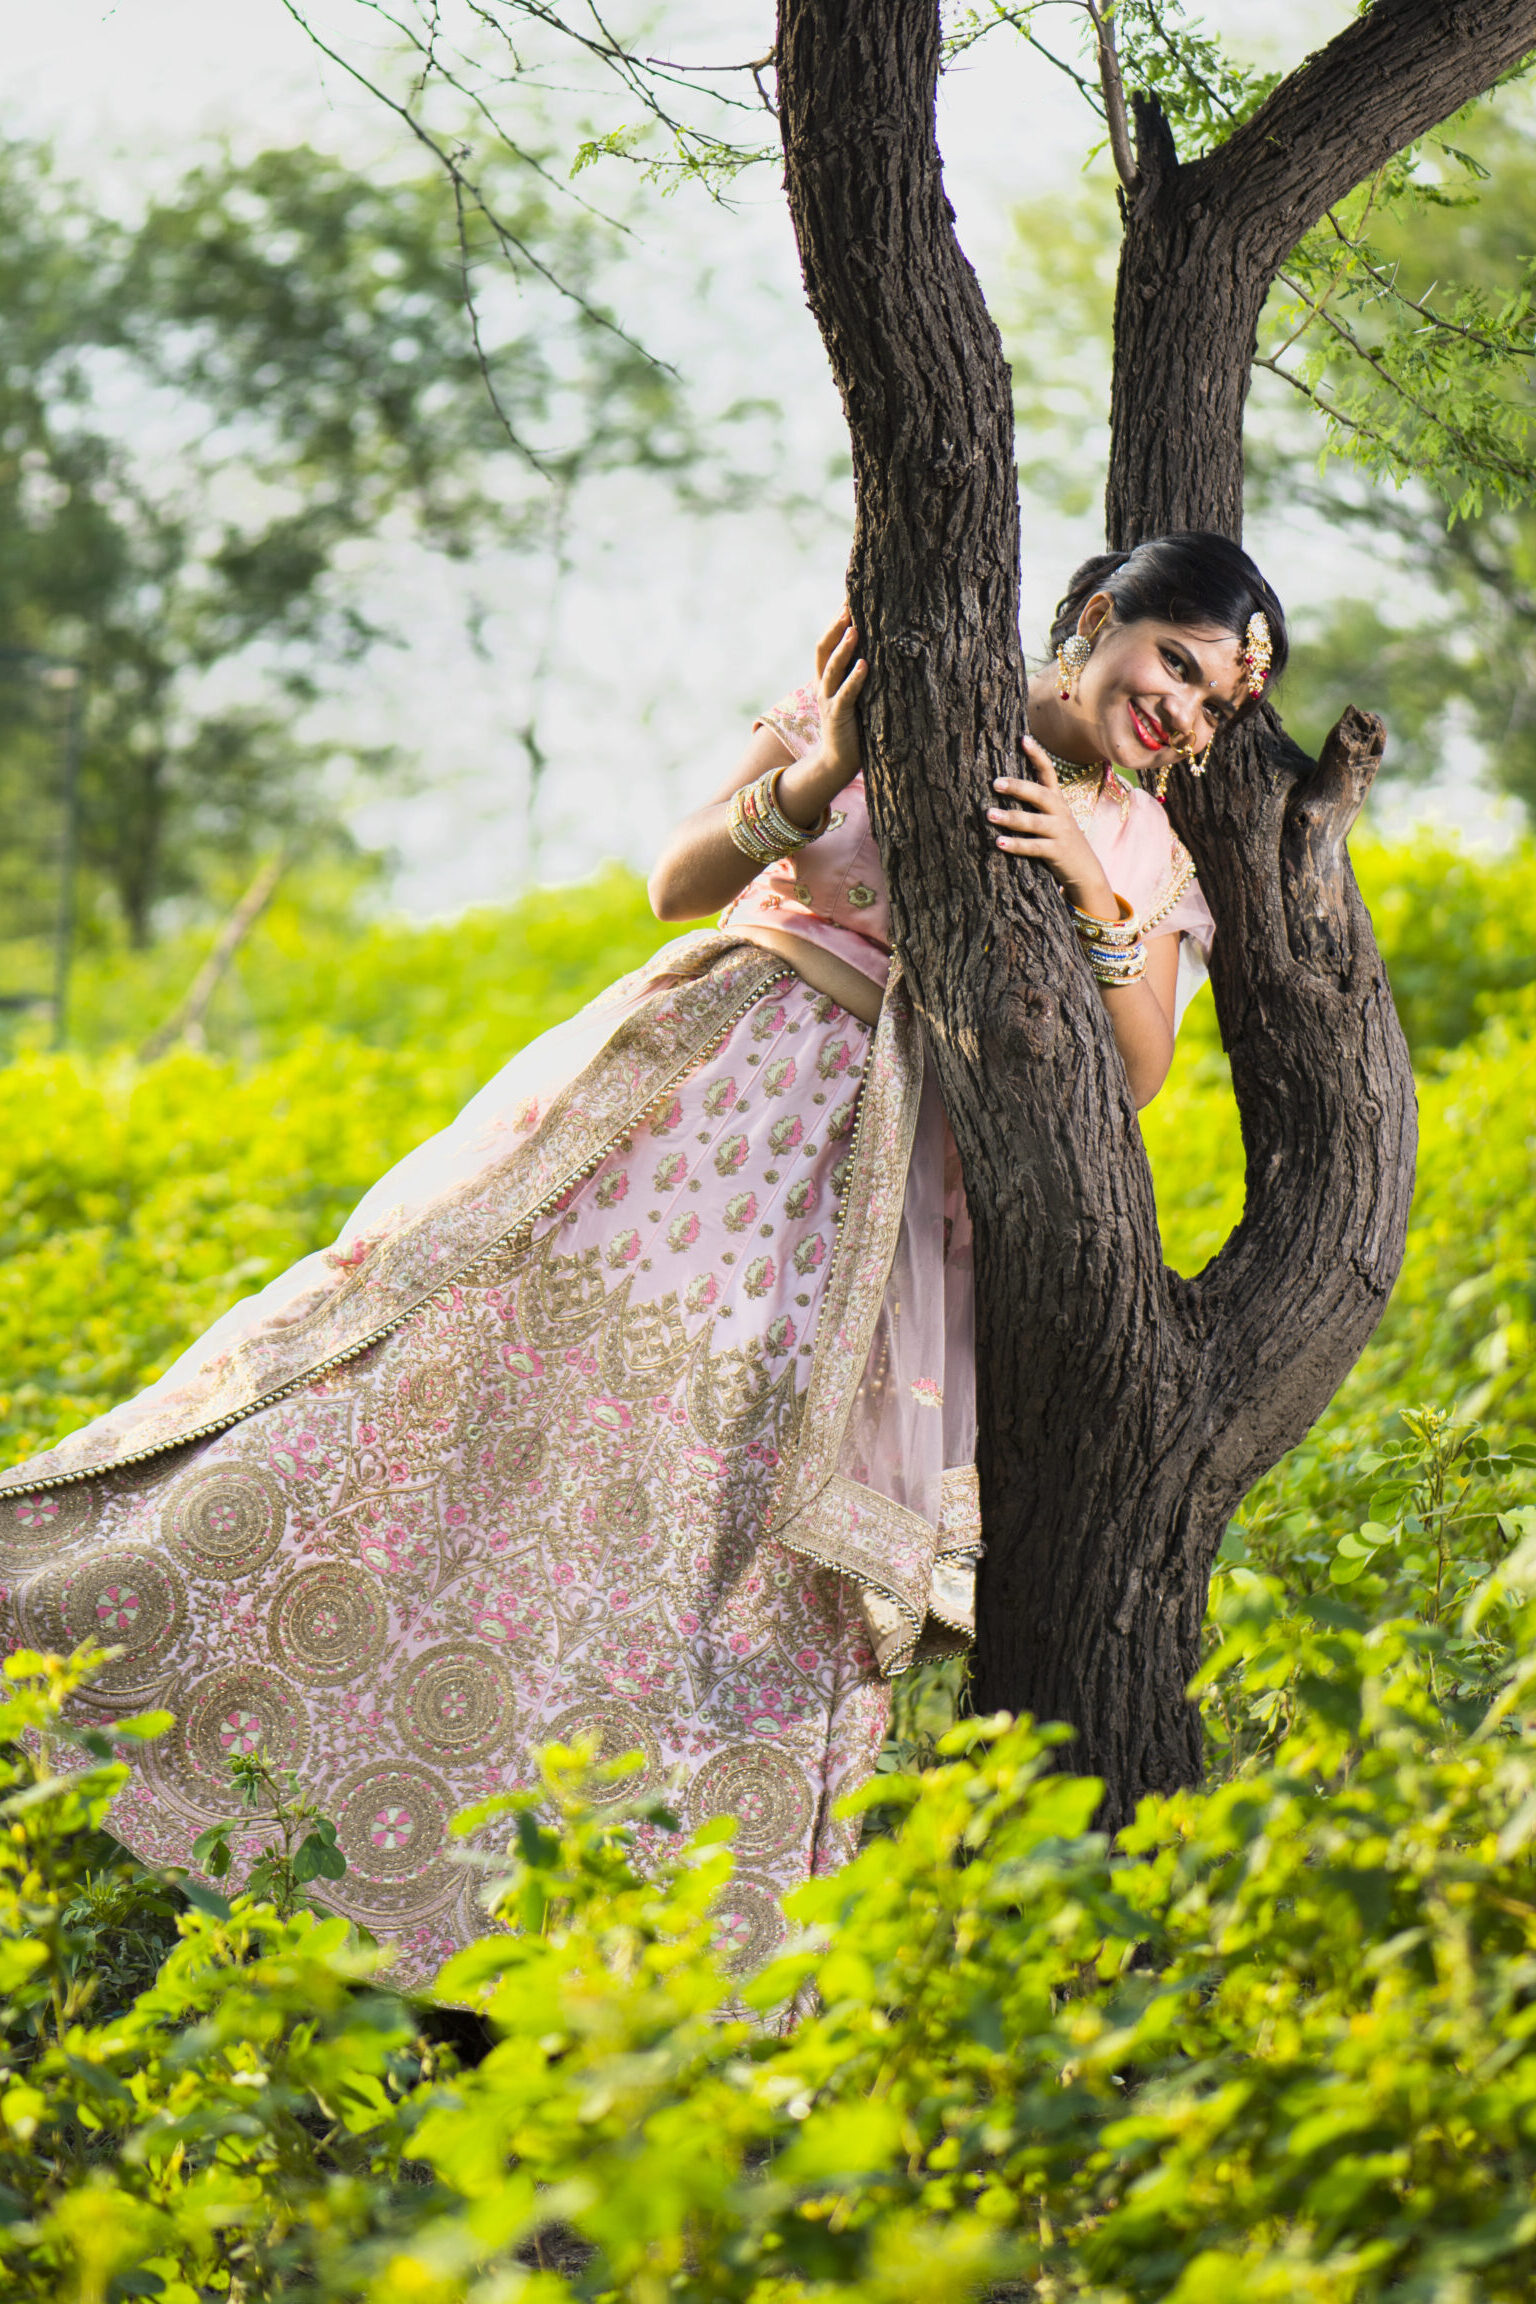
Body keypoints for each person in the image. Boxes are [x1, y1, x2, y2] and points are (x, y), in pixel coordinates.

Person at [0, 531, 1287, 1985]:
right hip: (699, 1109)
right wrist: (825, 770)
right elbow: (679, 881)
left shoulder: (1143, 846)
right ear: (1104, 618)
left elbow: (1133, 1079)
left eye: (1217, 705)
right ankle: (177, 1694)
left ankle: (642, 1944)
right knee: (464, 1390)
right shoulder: (909, 697)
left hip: (885, 1204)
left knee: (724, 1530)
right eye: (1177, 661)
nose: (1183, 709)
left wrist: (1093, 895)